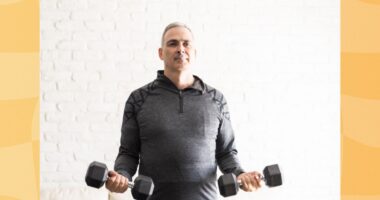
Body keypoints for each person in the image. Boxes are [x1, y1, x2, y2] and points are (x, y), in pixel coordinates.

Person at [105, 22, 262, 199]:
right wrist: (122, 176)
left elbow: (226, 153)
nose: (181, 49)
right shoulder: (138, 99)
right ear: (160, 53)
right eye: (172, 43)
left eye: (186, 43)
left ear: (194, 53)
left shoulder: (216, 100)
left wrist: (240, 174)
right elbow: (128, 153)